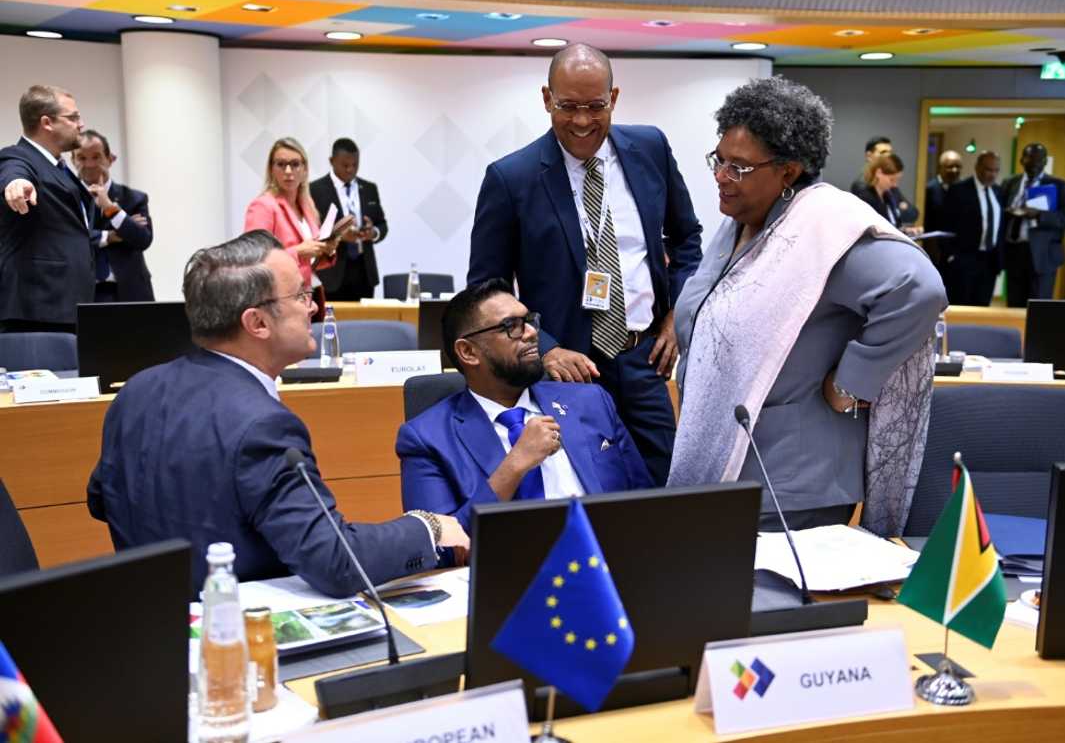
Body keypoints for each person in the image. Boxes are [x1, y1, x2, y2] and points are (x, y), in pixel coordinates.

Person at [87, 230, 468, 596]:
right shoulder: (263, 424)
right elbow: (335, 561)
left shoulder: (135, 391)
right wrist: (427, 527)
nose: (313, 307)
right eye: (300, 295)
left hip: (155, 621)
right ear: (257, 323)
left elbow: (102, 498)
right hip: (243, 634)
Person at [670, 77, 946, 535]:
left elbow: (919, 290)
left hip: (793, 487)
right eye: (719, 160)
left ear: (789, 171)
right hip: (736, 468)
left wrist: (851, 382)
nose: (721, 176)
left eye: (738, 167)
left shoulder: (823, 228)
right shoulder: (745, 221)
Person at [468, 43, 702, 486]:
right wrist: (546, 348)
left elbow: (687, 238)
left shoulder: (650, 149)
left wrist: (677, 316)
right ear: (546, 99)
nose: (581, 121)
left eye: (595, 106)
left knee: (665, 488)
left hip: (643, 358)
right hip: (564, 371)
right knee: (585, 488)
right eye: (567, 106)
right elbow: (487, 290)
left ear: (613, 98)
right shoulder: (510, 178)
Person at [397, 279, 652, 533]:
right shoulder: (426, 439)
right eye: (512, 326)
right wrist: (515, 466)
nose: (532, 333)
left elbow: (643, 505)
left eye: (529, 321)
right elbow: (437, 545)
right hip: (505, 570)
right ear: (468, 352)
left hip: (604, 564)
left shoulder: (591, 401)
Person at [0, 85, 93, 332]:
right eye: (73, 117)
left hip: (67, 304)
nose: (80, 124)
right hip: (39, 309)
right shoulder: (18, 156)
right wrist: (16, 184)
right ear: (46, 122)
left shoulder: (60, 168)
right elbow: (14, 172)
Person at [244, 137, 351, 320]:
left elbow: (310, 262)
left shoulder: (307, 206)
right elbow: (253, 259)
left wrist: (326, 250)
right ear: (272, 169)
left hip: (311, 295)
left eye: (295, 164)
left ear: (304, 169)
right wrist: (299, 252)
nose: (288, 171)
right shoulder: (263, 206)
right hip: (279, 301)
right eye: (281, 164)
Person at [73, 129, 154, 302]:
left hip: (130, 293)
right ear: (72, 161)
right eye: (81, 158)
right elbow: (68, 239)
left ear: (110, 159)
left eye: (96, 157)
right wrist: (109, 236)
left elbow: (143, 239)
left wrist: (110, 208)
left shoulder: (134, 198)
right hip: (84, 296)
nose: (89, 164)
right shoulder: (65, 200)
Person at [999, 142, 1065, 306]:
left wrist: (1039, 215)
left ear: (1045, 162)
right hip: (1014, 252)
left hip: (1043, 256)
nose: (1036, 164)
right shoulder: (1009, 183)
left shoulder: (1059, 186)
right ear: (1022, 160)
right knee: (1014, 304)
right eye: (1031, 159)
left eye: (1040, 160)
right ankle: (1016, 333)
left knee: (1037, 307)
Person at [310, 137, 387, 301]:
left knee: (365, 325)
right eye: (345, 165)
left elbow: (382, 224)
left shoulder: (369, 188)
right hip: (331, 273)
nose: (351, 170)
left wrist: (373, 232)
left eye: (355, 165)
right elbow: (310, 231)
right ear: (332, 161)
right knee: (331, 324)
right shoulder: (314, 190)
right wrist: (338, 236)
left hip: (364, 271)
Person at [939, 151, 1004, 306]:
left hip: (989, 261)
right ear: (977, 168)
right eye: (989, 170)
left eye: (996, 170)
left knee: (983, 307)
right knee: (962, 306)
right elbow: (944, 225)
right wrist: (951, 256)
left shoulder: (998, 191)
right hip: (964, 260)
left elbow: (1001, 226)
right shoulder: (959, 190)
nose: (992, 175)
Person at [851, 135, 919, 227]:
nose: (888, 156)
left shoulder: (889, 187)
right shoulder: (861, 186)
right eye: (883, 152)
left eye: (890, 152)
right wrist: (899, 208)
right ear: (869, 156)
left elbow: (913, 213)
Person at [923, 149, 963, 232]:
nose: (954, 170)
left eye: (958, 166)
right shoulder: (930, 189)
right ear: (940, 167)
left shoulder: (964, 189)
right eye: (950, 166)